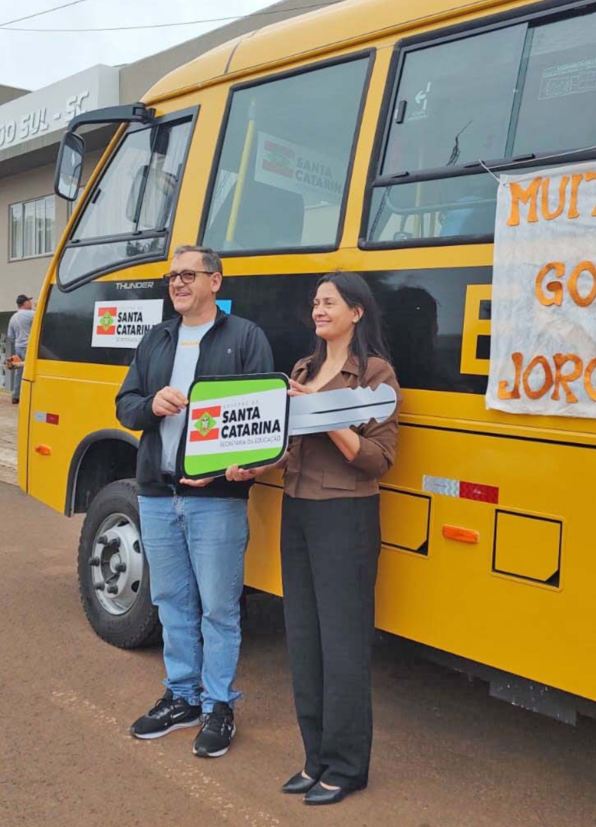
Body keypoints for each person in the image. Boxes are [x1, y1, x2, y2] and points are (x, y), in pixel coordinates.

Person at [229, 272, 399, 804]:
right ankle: (315, 757)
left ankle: (347, 766)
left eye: (330, 302)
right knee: (302, 638)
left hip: (346, 516)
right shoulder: (303, 369)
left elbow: (377, 460)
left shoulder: (374, 374)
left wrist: (322, 413)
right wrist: (252, 467)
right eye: (316, 302)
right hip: (298, 510)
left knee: (342, 643)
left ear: (357, 312)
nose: (318, 309)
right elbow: (287, 446)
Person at [115, 245, 273, 758]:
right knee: (171, 603)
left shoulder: (245, 337)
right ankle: (181, 696)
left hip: (217, 500)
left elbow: (259, 416)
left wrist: (235, 468)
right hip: (159, 494)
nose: (177, 283)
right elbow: (125, 405)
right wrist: (150, 405)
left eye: (188, 274)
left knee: (220, 609)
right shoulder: (156, 338)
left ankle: (218, 705)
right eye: (172, 276)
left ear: (216, 282)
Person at [7, 295, 35, 404]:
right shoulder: (31, 314)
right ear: (25, 303)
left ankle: (16, 396)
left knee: (19, 372)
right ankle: (30, 396)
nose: (31, 303)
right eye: (29, 301)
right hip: (29, 347)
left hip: (18, 347)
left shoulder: (13, 317)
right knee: (31, 371)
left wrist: (18, 342)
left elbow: (10, 336)